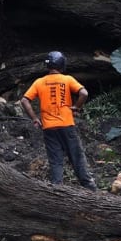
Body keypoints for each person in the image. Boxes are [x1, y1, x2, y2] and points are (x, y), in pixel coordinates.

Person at [20, 50, 97, 190]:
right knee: (77, 158)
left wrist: (35, 119)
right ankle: (90, 189)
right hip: (67, 125)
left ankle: (57, 191)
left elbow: (25, 100)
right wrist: (76, 107)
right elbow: (84, 93)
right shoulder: (67, 79)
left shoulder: (39, 82)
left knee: (55, 161)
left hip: (49, 128)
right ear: (62, 65)